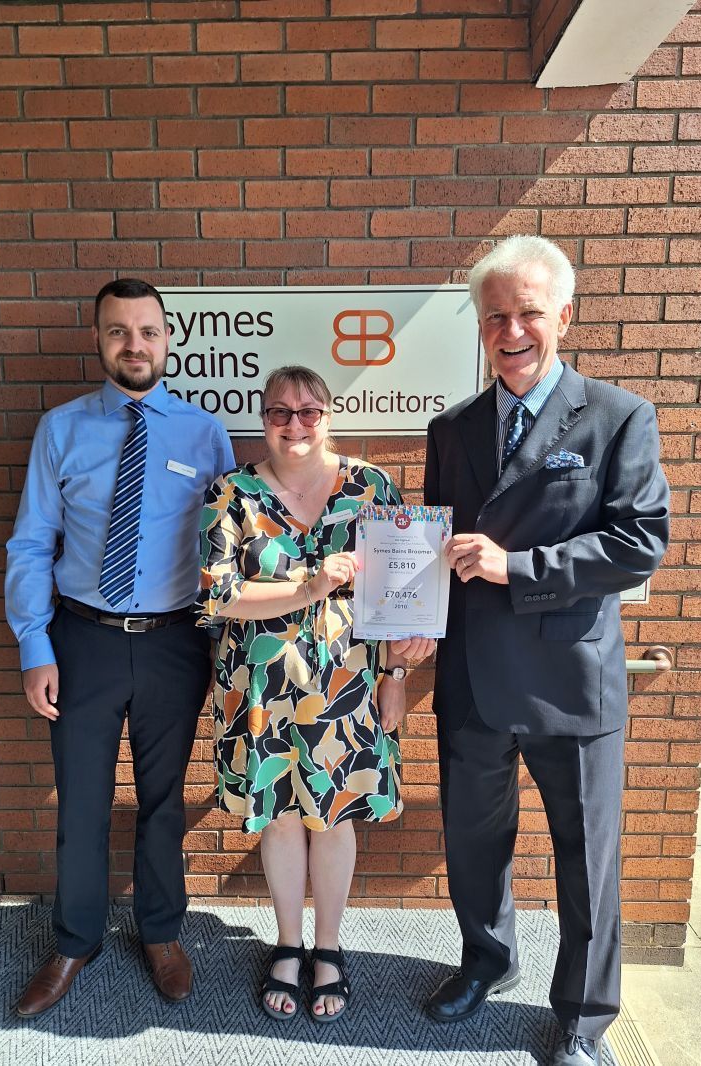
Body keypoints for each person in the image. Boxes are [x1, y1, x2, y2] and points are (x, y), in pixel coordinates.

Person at [423, 236, 669, 1066]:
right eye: (496, 316)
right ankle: (486, 961)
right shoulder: (451, 428)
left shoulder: (617, 416)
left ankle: (584, 1017)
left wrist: (517, 566)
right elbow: (431, 549)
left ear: (565, 315)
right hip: (473, 678)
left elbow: (639, 542)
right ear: (481, 327)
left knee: (587, 857)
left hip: (571, 677)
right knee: (474, 841)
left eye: (530, 312)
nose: (513, 329)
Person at [5, 278, 234, 1016]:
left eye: (146, 331)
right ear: (98, 340)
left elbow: (228, 551)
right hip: (82, 643)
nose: (133, 344)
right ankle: (74, 941)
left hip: (175, 644)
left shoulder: (204, 434)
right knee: (82, 800)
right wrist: (34, 645)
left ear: (169, 340)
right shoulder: (60, 429)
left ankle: (161, 932)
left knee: (164, 801)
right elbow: (33, 541)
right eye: (117, 332)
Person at [196, 366, 433, 1023]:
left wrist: (397, 676)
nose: (294, 425)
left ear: (328, 415)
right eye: (279, 412)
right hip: (260, 690)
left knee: (332, 818)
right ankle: (289, 943)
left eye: (308, 411)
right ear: (263, 418)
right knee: (277, 816)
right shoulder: (232, 493)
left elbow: (399, 594)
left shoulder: (371, 486)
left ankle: (327, 947)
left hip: (346, 686)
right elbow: (217, 595)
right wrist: (310, 585)